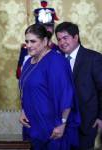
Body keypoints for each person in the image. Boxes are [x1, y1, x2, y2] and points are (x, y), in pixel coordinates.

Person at [19, 24, 80, 150]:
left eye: (33, 41)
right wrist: (23, 111)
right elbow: (26, 91)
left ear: (45, 41)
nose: (28, 45)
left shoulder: (56, 61)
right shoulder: (28, 63)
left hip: (52, 128)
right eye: (27, 41)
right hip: (32, 127)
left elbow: (67, 95)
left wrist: (62, 124)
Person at [55, 21, 102, 150]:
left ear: (76, 37)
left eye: (65, 38)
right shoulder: (57, 61)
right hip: (63, 125)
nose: (62, 42)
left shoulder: (94, 58)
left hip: (87, 123)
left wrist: (100, 117)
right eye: (59, 39)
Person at [16, 0, 61, 79]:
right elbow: (19, 75)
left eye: (48, 26)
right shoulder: (26, 49)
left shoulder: (59, 49)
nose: (46, 29)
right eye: (42, 27)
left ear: (53, 27)